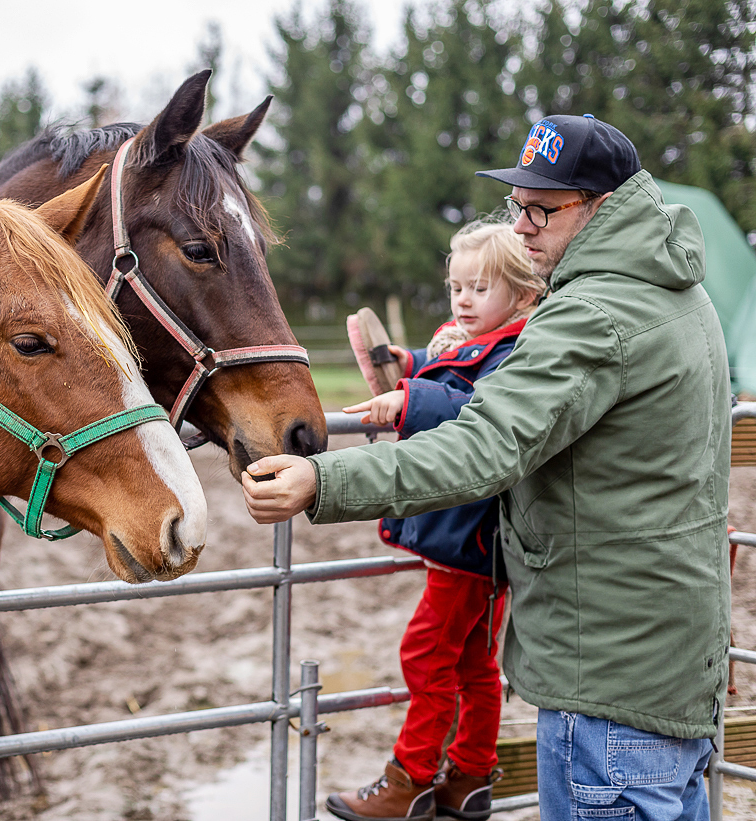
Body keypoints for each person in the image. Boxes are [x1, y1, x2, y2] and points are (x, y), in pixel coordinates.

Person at [244, 113, 731, 820]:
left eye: (544, 206)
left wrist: (325, 479)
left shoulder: (592, 315)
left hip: (605, 680)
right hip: (671, 665)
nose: (523, 224)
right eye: (518, 203)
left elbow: (487, 444)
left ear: (602, 206)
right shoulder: (680, 294)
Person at [327, 220, 545, 821]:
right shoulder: (476, 338)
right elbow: (451, 364)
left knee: (426, 653)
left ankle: (412, 778)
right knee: (474, 661)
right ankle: (469, 775)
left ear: (524, 295)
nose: (463, 300)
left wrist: (408, 399)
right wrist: (410, 363)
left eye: (479, 288)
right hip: (477, 540)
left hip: (469, 538)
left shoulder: (522, 349)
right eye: (456, 288)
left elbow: (480, 404)